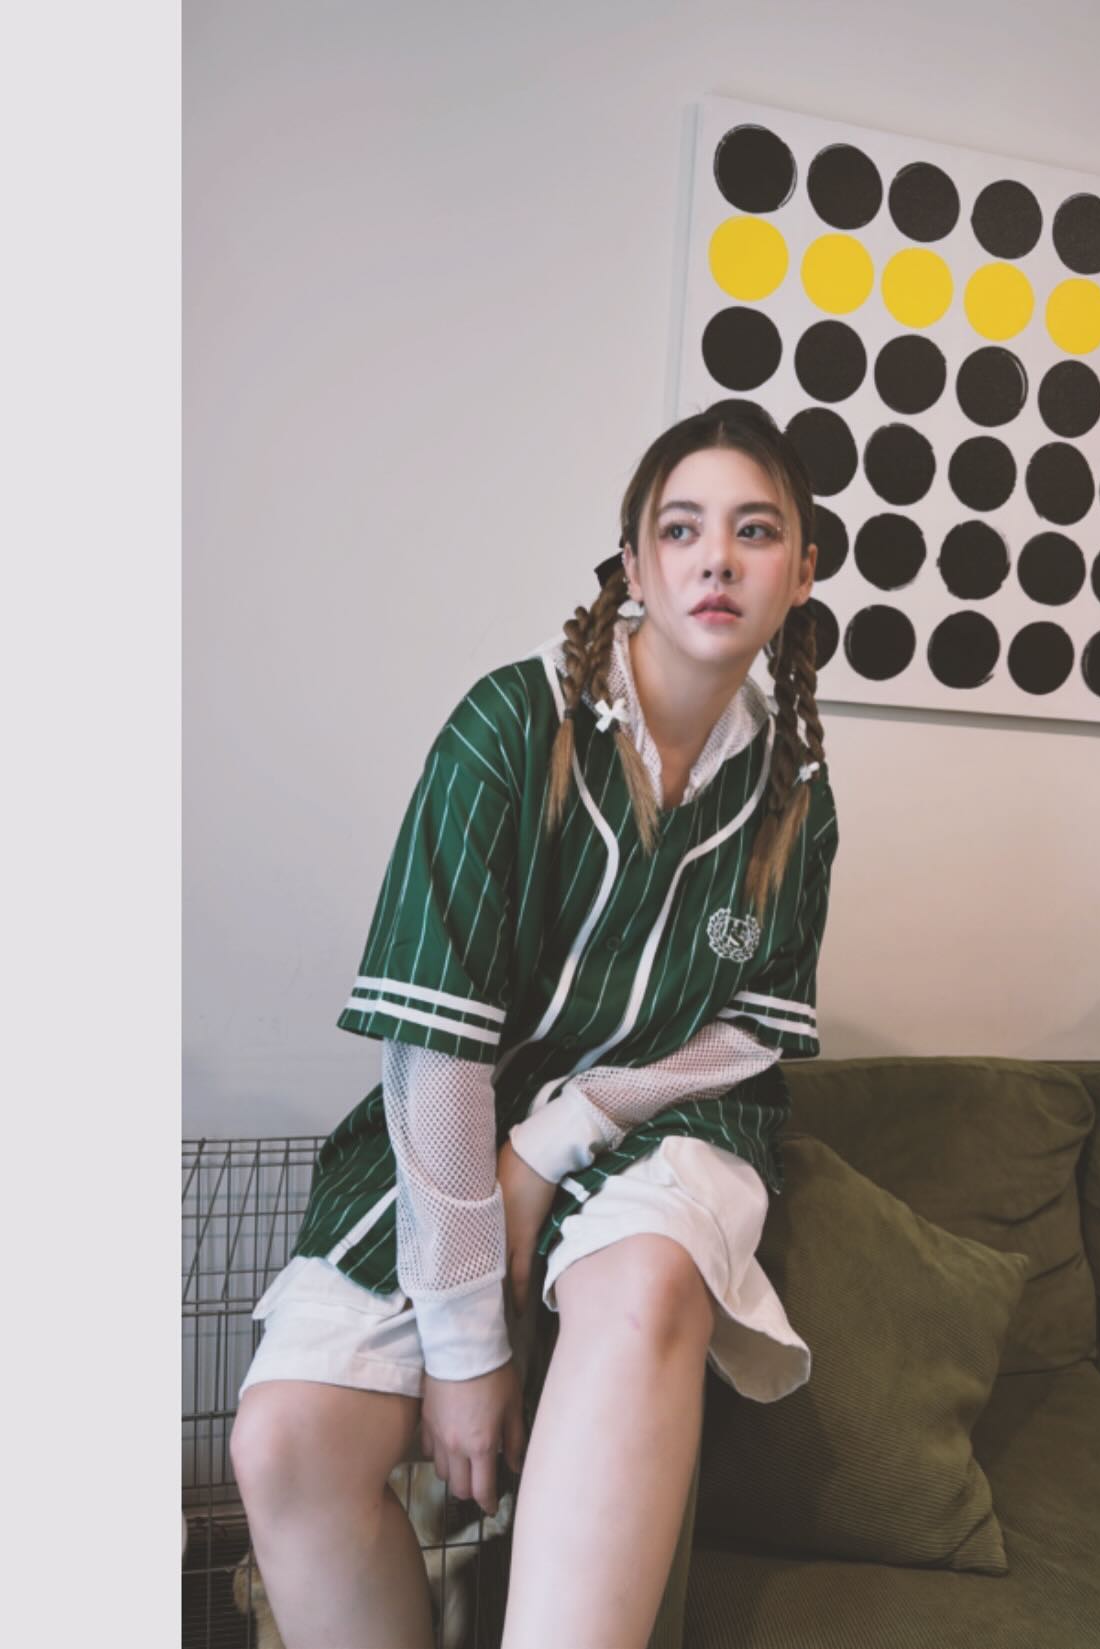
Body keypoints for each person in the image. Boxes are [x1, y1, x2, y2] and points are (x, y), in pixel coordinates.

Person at [229, 402, 840, 1649]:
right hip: (460, 1111)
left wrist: (558, 1140)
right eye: (683, 528)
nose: (717, 559)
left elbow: (745, 1034)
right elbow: (436, 1049)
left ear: (802, 572)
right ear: (634, 564)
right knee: (285, 1441)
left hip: (670, 1113)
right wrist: (465, 1346)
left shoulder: (798, 798)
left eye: (756, 530)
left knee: (646, 1278)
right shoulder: (508, 728)